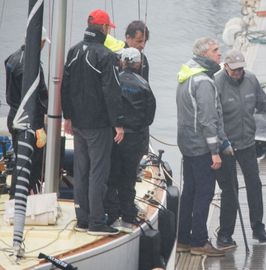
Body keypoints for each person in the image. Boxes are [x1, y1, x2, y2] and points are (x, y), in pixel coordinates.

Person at [61, 9, 124, 236]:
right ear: (105, 29)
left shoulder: (74, 51)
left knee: (81, 170)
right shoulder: (106, 56)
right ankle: (97, 222)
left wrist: (68, 116)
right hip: (98, 125)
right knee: (98, 172)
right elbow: (112, 92)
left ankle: (83, 219)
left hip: (78, 123)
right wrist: (118, 123)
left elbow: (65, 86)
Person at [214, 49, 266, 249]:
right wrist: (222, 142)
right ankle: (225, 233)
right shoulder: (216, 83)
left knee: (254, 184)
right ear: (226, 67)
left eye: (241, 68)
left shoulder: (251, 79)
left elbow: (263, 103)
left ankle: (258, 227)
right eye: (234, 69)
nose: (238, 72)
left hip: (247, 144)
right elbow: (214, 117)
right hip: (226, 145)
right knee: (230, 189)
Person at [175, 37, 225, 257]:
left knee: (189, 192)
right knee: (204, 193)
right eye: (215, 51)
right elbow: (207, 120)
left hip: (187, 145)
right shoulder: (203, 82)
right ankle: (199, 241)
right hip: (201, 147)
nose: (219, 54)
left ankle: (183, 239)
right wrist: (215, 151)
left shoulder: (186, 74)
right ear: (204, 54)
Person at [105, 47, 156, 233]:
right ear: (138, 64)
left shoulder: (113, 80)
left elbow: (108, 105)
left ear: (122, 62)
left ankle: (110, 213)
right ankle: (127, 214)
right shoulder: (143, 84)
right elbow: (150, 115)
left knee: (112, 175)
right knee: (129, 177)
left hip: (114, 135)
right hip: (134, 137)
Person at [5, 29, 49, 198]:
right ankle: (20, 198)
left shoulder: (12, 57)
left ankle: (17, 197)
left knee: (21, 160)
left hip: (14, 115)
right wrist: (39, 126)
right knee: (28, 162)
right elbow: (36, 97)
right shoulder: (30, 65)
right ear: (40, 42)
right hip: (28, 119)